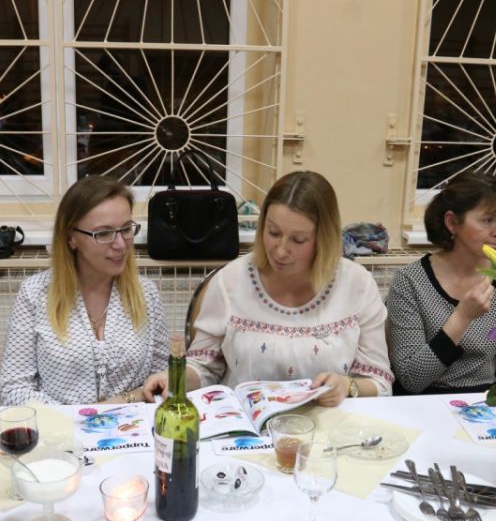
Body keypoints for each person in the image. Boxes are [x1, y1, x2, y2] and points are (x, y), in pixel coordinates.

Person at [143, 171, 394, 406]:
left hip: (329, 427)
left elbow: (380, 383)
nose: (281, 251)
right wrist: (175, 378)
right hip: (247, 425)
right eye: (273, 233)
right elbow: (204, 367)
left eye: (298, 240)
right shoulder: (230, 281)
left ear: (323, 238)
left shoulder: (357, 285)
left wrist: (348, 386)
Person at [0, 175, 169, 405]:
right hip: (59, 426)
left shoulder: (146, 293)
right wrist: (81, 417)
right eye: (104, 233)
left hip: (132, 425)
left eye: (126, 229)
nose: (121, 244)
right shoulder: (35, 294)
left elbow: (161, 380)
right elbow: (13, 390)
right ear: (71, 238)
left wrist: (124, 400)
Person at [386, 171, 496, 394]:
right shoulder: (410, 281)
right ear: (452, 222)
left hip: (486, 401)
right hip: (422, 401)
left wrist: (494, 406)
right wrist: (462, 317)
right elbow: (411, 378)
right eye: (488, 220)